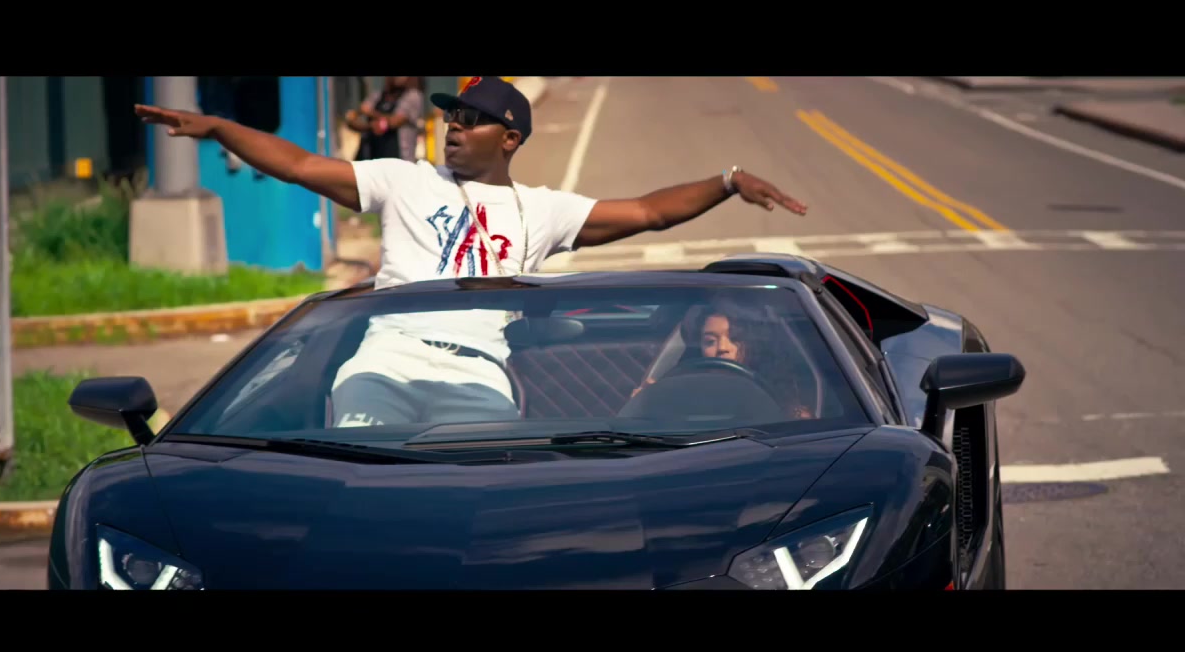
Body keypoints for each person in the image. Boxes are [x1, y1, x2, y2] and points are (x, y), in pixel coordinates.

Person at [135, 76, 808, 428]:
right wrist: (219, 127)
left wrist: (726, 182)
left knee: (471, 503)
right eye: (450, 116)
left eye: (470, 119)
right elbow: (300, 166)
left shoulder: (540, 211)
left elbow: (649, 212)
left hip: (479, 379)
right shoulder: (404, 179)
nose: (452, 127)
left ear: (509, 138)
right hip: (384, 365)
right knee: (370, 491)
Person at [633, 299, 815, 419]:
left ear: (754, 344)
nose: (722, 348)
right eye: (710, 341)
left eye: (735, 338)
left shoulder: (781, 402)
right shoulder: (680, 395)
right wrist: (645, 404)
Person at [345, 76, 425, 162]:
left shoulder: (413, 97)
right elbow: (352, 120)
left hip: (399, 162)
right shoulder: (376, 96)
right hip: (371, 160)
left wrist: (371, 113)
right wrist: (369, 126)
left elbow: (395, 122)